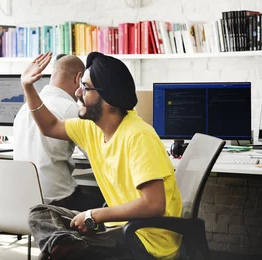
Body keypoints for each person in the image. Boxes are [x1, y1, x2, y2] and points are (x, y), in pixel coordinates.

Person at [22, 52, 182, 259]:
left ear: (107, 97)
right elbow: (50, 126)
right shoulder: (92, 128)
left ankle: (73, 251)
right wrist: (28, 87)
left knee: (54, 253)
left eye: (86, 87)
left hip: (146, 242)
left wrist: (94, 215)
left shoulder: (138, 136)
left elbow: (153, 205)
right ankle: (72, 249)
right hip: (119, 230)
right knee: (41, 213)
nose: (77, 92)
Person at [14, 54, 102, 211]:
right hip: (57, 202)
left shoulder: (25, 107)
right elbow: (97, 154)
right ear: (79, 78)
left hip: (22, 200)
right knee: (101, 198)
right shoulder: (70, 108)